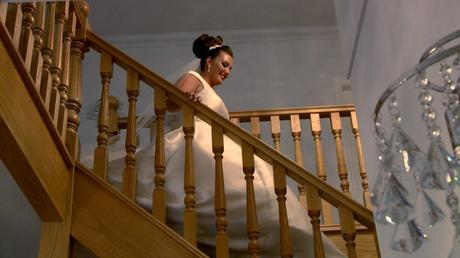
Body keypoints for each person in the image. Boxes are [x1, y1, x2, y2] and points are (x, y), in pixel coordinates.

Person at [107, 34, 344, 257]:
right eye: (224, 64)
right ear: (208, 61)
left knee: (264, 183)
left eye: (230, 68)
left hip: (217, 144)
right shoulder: (195, 77)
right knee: (256, 186)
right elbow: (170, 101)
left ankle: (288, 235)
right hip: (200, 140)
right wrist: (184, 99)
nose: (227, 71)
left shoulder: (210, 90)